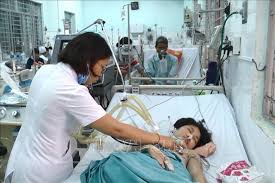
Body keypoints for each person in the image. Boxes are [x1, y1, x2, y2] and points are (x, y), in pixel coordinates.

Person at [4, 32, 181, 183]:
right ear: (88, 62)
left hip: (24, 161)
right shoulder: (71, 90)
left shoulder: (47, 71)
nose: (101, 75)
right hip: (44, 174)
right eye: (102, 67)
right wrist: (159, 139)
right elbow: (117, 129)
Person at [81, 118, 216, 183]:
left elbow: (198, 176)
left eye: (194, 139)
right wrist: (148, 147)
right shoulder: (152, 136)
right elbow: (127, 146)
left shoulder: (189, 154)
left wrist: (196, 152)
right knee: (114, 163)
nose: (189, 137)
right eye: (189, 130)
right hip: (141, 162)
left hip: (171, 174)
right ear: (176, 128)